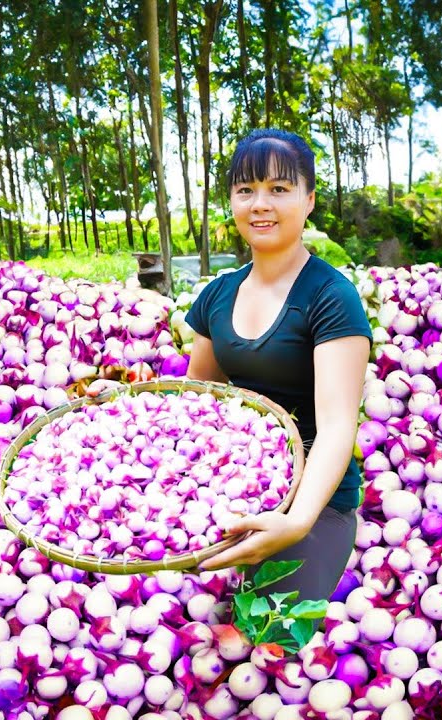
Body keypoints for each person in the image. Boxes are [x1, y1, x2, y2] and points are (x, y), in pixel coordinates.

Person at [183, 128, 371, 605]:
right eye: (246, 190)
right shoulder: (216, 295)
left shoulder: (331, 298)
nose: (259, 204)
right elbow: (194, 404)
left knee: (273, 647)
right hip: (230, 496)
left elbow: (336, 427)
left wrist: (297, 520)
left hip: (314, 507)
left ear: (309, 200)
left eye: (279, 190)